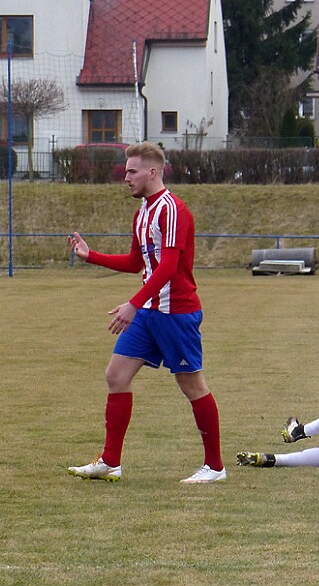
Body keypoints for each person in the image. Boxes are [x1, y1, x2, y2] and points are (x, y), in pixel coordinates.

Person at [66, 142, 225, 483]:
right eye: (126, 171)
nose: (126, 177)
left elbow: (168, 267)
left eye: (132, 171)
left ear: (153, 172)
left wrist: (132, 304)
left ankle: (215, 467)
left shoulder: (172, 210)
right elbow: (137, 263)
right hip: (150, 312)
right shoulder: (142, 213)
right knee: (116, 376)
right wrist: (90, 255)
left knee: (192, 385)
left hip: (176, 313)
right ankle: (110, 461)